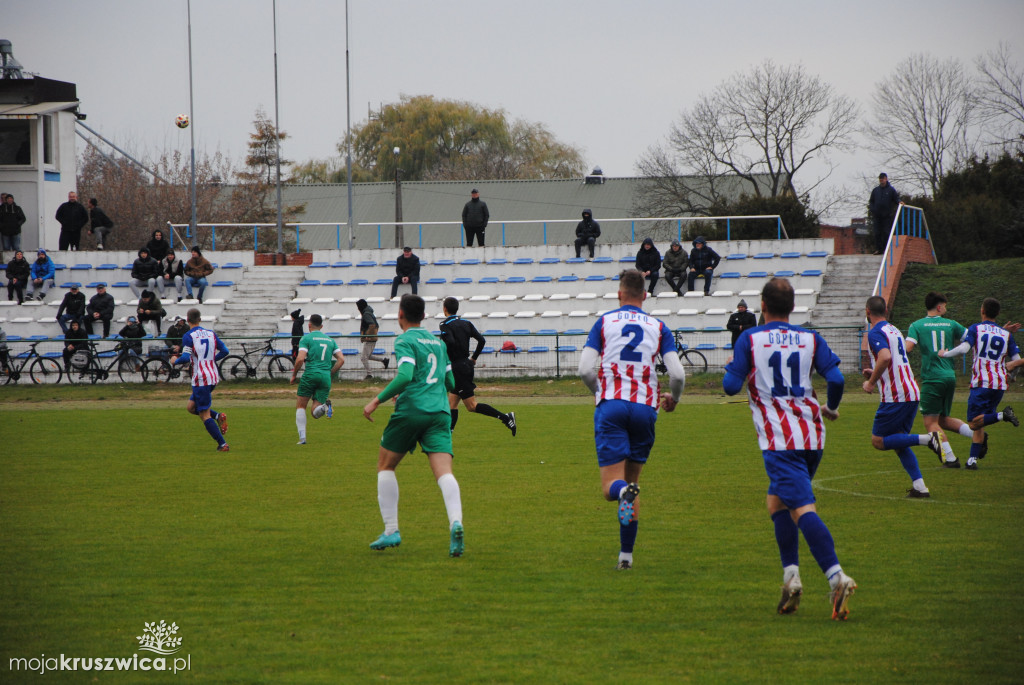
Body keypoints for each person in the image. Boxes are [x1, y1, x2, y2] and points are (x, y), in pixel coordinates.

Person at [723, 277, 856, 620]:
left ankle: (836, 576)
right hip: (813, 435)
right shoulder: (810, 338)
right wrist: (831, 405)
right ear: (792, 306)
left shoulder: (750, 338)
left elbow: (729, 386)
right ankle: (791, 577)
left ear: (762, 306)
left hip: (779, 441)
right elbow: (837, 379)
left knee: (801, 508)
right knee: (776, 501)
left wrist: (736, 367)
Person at [578, 269, 686, 570]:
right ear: (645, 296)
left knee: (612, 487)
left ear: (619, 294)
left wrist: (600, 392)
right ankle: (626, 557)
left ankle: (622, 495)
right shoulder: (658, 326)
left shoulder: (605, 322)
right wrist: (674, 399)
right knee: (632, 483)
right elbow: (677, 374)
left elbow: (585, 369)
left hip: (613, 406)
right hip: (644, 409)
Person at [363, 294, 465, 557]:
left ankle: (391, 530)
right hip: (440, 412)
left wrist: (376, 400)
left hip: (412, 410)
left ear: (401, 315)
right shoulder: (438, 343)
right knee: (444, 472)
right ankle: (456, 522)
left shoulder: (405, 340)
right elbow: (451, 383)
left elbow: (406, 375)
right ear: (423, 316)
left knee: (386, 465)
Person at [862, 295, 941, 497]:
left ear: (867, 312)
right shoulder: (894, 329)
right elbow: (894, 360)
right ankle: (920, 487)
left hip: (896, 396)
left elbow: (886, 357)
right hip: (911, 391)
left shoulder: (875, 332)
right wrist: (876, 375)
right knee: (899, 442)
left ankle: (927, 440)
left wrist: (871, 383)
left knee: (878, 440)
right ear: (886, 311)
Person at [938, 297, 1022, 468]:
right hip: (999, 384)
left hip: (981, 383)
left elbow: (964, 349)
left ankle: (1002, 415)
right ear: (997, 313)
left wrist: (945, 354)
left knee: (973, 422)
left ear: (982, 310)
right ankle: (972, 461)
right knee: (981, 422)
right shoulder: (1006, 335)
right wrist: (1012, 372)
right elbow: (1017, 360)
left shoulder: (976, 328)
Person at [904, 292, 976, 468]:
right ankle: (977, 436)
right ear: (939, 307)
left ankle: (950, 459)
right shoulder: (951, 324)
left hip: (932, 378)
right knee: (942, 419)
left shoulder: (917, 325)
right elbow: (972, 337)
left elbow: (908, 348)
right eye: (945, 305)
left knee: (930, 423)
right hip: (950, 376)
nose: (946, 308)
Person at [439, 296, 516, 435]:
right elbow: (481, 340)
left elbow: (450, 342)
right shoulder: (466, 323)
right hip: (465, 365)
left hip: (458, 368)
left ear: (444, 309)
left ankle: (506, 417)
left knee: (471, 406)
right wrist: (473, 358)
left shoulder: (444, 325)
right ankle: (447, 435)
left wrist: (442, 348)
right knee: (452, 403)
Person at [171, 307, 230, 452]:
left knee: (204, 414)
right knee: (191, 408)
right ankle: (218, 416)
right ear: (200, 319)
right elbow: (225, 351)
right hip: (213, 376)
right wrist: (211, 360)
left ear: (188, 320)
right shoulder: (211, 333)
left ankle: (222, 444)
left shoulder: (188, 336)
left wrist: (174, 361)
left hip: (201, 378)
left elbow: (185, 357)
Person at [291, 313, 344, 445]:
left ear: (309, 325)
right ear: (321, 326)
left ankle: (302, 438)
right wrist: (330, 373)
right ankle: (325, 407)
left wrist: (294, 375)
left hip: (310, 374)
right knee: (315, 412)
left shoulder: (306, 338)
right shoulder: (330, 340)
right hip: (325, 376)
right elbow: (341, 360)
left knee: (301, 406)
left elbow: (300, 359)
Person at [868, 173, 901, 255]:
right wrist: (873, 209)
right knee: (877, 233)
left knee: (886, 233)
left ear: (886, 179)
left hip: (886, 216)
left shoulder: (891, 190)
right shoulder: (876, 190)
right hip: (877, 216)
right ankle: (879, 249)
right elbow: (871, 201)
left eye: (882, 179)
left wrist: (899, 202)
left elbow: (896, 198)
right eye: (880, 179)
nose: (881, 180)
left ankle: (887, 249)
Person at [355, 299, 389, 379]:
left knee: (363, 358)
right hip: (372, 338)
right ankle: (384, 360)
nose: (357, 309)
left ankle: (369, 374)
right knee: (368, 356)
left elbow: (372, 325)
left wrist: (367, 336)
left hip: (370, 338)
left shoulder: (366, 314)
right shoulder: (369, 312)